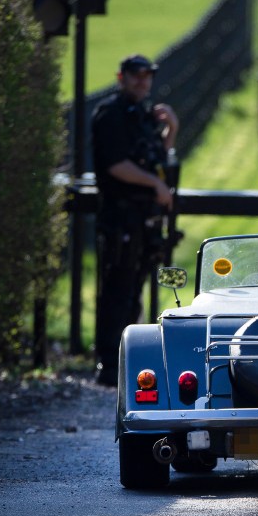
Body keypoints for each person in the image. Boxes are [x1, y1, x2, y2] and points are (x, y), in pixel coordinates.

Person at [91, 54, 180, 386]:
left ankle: (129, 361)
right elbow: (116, 165)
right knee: (117, 288)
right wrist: (155, 185)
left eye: (148, 76)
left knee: (135, 288)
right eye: (136, 76)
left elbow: (157, 156)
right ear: (122, 77)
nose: (143, 82)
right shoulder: (110, 114)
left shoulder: (143, 114)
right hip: (121, 215)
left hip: (144, 218)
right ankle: (108, 364)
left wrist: (172, 127)